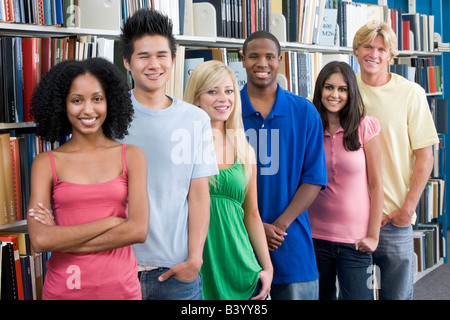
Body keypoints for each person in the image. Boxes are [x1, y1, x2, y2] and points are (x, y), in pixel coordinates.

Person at [26, 58, 149, 300]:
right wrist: (112, 222)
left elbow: (138, 230)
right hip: (64, 291)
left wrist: (60, 237)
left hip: (121, 291)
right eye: (76, 100)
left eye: (97, 99)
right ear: (63, 105)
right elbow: (40, 240)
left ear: (109, 101)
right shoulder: (45, 162)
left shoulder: (132, 156)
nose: (88, 110)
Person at [119, 9, 218, 300]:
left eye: (162, 55)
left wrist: (195, 259)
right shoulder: (109, 115)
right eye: (143, 56)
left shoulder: (195, 119)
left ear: (174, 59)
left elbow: (199, 194)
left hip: (178, 272)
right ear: (127, 61)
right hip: (119, 268)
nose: (154, 64)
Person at [353, 21, 439, 300]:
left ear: (391, 55)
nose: (373, 54)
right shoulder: (342, 89)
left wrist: (407, 210)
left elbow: (425, 156)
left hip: (394, 220)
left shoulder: (411, 93)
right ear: (356, 50)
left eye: (381, 49)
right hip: (351, 220)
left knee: (397, 296)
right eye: (367, 46)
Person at [240, 30, 327, 300]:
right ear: (242, 59)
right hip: (239, 247)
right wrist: (255, 228)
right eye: (253, 56)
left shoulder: (304, 112)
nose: (262, 63)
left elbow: (313, 178)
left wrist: (277, 225)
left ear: (281, 60)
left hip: (290, 246)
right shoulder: (226, 111)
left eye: (269, 57)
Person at [184, 60, 273, 300]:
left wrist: (267, 267)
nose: (223, 98)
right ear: (196, 99)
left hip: (240, 267)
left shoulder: (244, 149)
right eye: (212, 91)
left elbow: (252, 214)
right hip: (195, 267)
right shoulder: (183, 145)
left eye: (229, 91)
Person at [308, 61, 384, 300]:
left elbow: (377, 185)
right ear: (320, 89)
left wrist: (373, 236)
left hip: (356, 241)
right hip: (314, 238)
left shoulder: (365, 126)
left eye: (342, 89)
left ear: (351, 93)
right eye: (329, 87)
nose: (335, 94)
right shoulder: (310, 128)